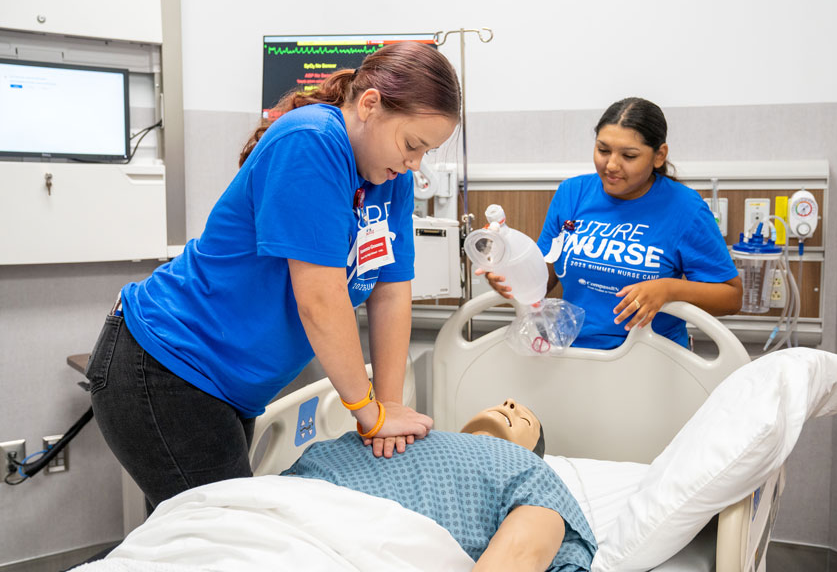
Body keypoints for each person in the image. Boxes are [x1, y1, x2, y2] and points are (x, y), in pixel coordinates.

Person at [85, 41, 460, 509]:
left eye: (426, 152)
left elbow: (390, 293)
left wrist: (387, 411)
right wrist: (367, 413)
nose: (415, 164)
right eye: (411, 145)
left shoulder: (391, 179)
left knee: (190, 546)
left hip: (224, 387)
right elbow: (319, 302)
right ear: (369, 105)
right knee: (222, 544)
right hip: (166, 365)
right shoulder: (312, 141)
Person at [481, 97, 741, 349]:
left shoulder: (685, 208)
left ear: (659, 155)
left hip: (651, 360)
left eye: (629, 156)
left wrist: (669, 288)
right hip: (572, 354)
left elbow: (731, 297)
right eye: (603, 150)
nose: (611, 165)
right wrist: (509, 270)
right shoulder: (573, 193)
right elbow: (543, 280)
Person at [284, 398, 596, 572]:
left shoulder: (533, 473)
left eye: (525, 417)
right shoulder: (406, 433)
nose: (509, 402)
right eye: (504, 401)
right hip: (279, 502)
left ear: (532, 454)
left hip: (330, 548)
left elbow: (518, 555)